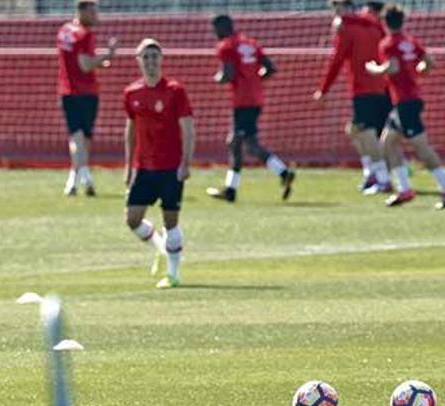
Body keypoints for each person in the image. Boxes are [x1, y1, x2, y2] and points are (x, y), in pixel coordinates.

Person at [123, 39, 194, 289]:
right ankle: (160, 248)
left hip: (170, 168)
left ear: (161, 60)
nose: (151, 61)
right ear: (138, 61)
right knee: (132, 219)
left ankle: (173, 274)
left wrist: (185, 163)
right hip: (144, 167)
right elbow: (131, 130)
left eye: (155, 56)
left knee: (171, 221)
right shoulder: (131, 93)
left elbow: (187, 128)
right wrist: (128, 166)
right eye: (146, 57)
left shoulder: (175, 91)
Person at [206, 14, 296, 203]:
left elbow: (228, 75)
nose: (214, 34)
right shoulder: (250, 43)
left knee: (249, 145)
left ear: (223, 27)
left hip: (242, 101)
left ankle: (283, 172)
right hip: (255, 99)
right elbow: (270, 68)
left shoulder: (226, 46)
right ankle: (230, 190)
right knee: (235, 143)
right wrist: (254, 80)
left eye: (215, 29)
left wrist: (217, 78)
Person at [365, 3, 445, 208]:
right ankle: (405, 189)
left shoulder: (388, 43)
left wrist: (373, 68)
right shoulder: (410, 41)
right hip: (408, 99)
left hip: (405, 102)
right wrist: (415, 72)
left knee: (422, 149)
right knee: (387, 143)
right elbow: (429, 63)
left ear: (384, 22)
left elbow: (391, 68)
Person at [314, 0, 393, 193]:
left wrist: (323, 90)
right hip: (383, 87)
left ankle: (382, 178)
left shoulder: (347, 28)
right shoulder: (375, 25)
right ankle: (371, 173)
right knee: (355, 130)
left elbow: (337, 60)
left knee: (367, 134)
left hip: (363, 89)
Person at [57, 0, 117, 196]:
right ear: (82, 11)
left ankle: (73, 180)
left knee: (78, 139)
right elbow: (85, 65)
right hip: (85, 92)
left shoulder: (64, 30)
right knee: (83, 138)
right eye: (92, 12)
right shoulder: (84, 34)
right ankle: (86, 176)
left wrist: (99, 62)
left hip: (67, 90)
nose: (96, 16)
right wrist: (107, 55)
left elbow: (77, 61)